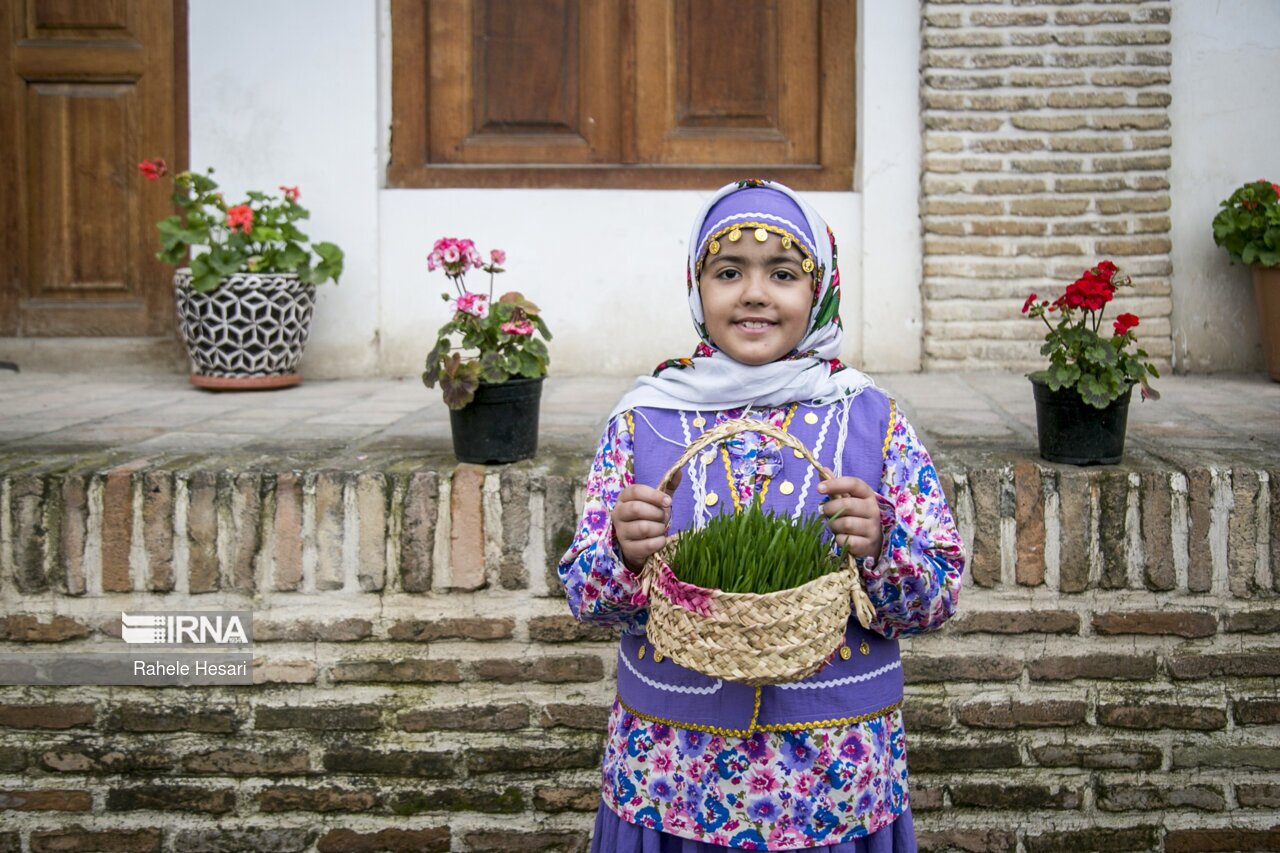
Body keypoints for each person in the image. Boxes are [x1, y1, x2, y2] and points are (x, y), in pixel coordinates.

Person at [556, 179, 965, 852]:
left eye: (782, 273)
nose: (753, 293)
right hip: (674, 774)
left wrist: (882, 541)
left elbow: (938, 596)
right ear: (697, 286)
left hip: (833, 777)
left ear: (819, 289)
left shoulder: (871, 418)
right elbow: (587, 597)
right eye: (727, 272)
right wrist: (624, 554)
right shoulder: (646, 420)